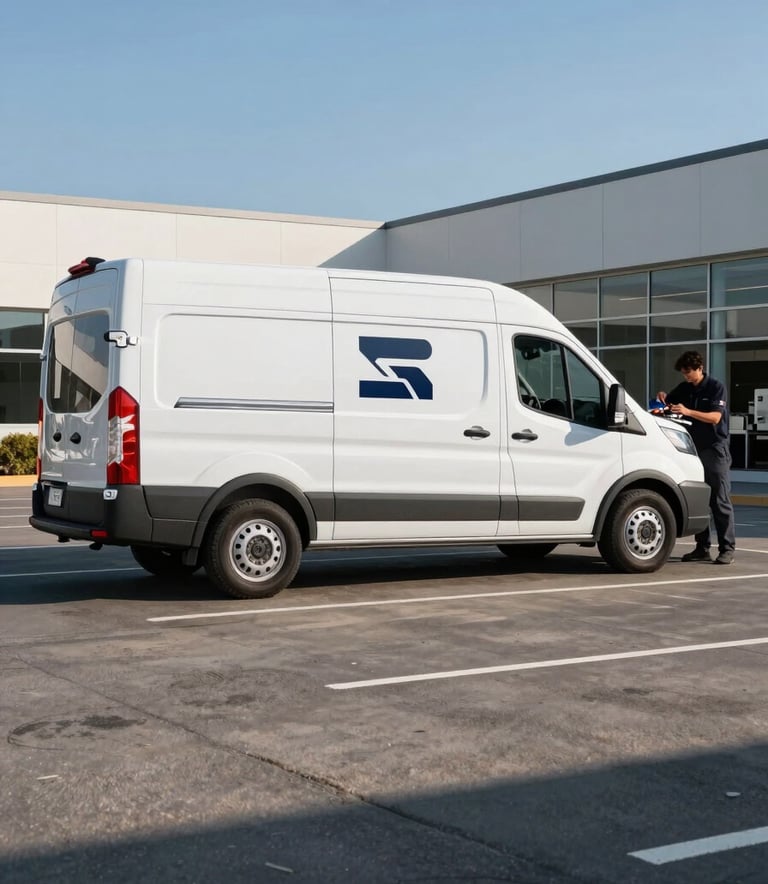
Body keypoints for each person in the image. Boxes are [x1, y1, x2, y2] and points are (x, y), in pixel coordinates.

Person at [657, 350, 736, 564]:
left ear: (699, 368)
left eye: (689, 372)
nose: (686, 377)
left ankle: (727, 548)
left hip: (714, 449)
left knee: (719, 499)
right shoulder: (684, 388)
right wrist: (663, 401)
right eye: (683, 373)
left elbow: (714, 417)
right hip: (692, 450)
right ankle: (702, 548)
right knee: (700, 498)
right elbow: (669, 403)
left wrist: (688, 411)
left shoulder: (716, 387)